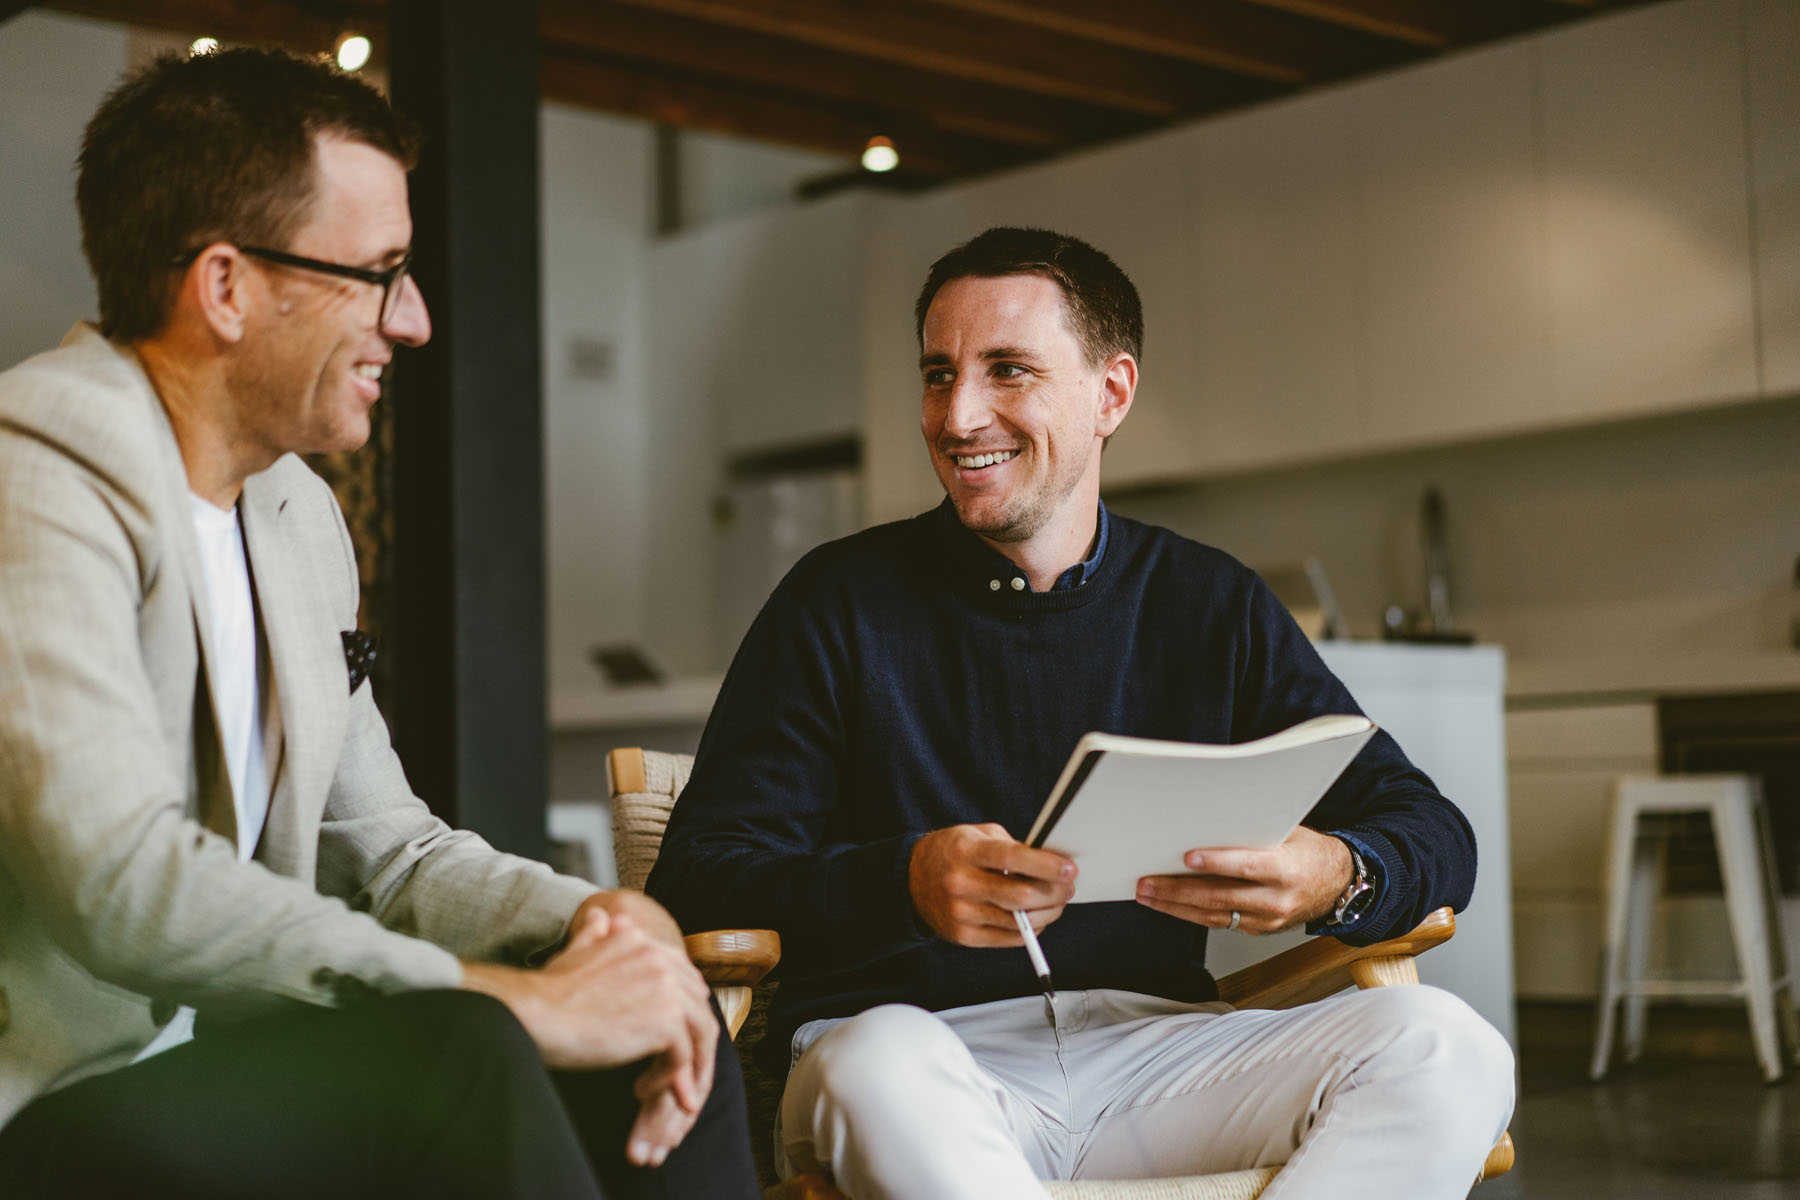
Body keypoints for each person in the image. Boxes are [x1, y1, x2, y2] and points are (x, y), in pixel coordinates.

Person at [0, 47, 756, 1200]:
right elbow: (118, 879)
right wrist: (514, 999)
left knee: (665, 1011)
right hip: (44, 1104)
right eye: (382, 272)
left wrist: (599, 924)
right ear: (226, 286)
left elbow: (390, 851)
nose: (415, 321)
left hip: (233, 1067)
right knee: (468, 1051)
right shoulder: (35, 474)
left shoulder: (294, 514)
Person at [647, 227, 1515, 1198]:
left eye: (1007, 370)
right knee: (877, 1063)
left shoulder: (1207, 601)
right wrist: (902, 881)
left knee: (1450, 1045)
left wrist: (1334, 875)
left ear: (1112, 393)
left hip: (1161, 1053)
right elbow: (696, 880)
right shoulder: (835, 603)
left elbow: (1436, 832)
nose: (958, 414)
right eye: (938, 374)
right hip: (921, 1056)